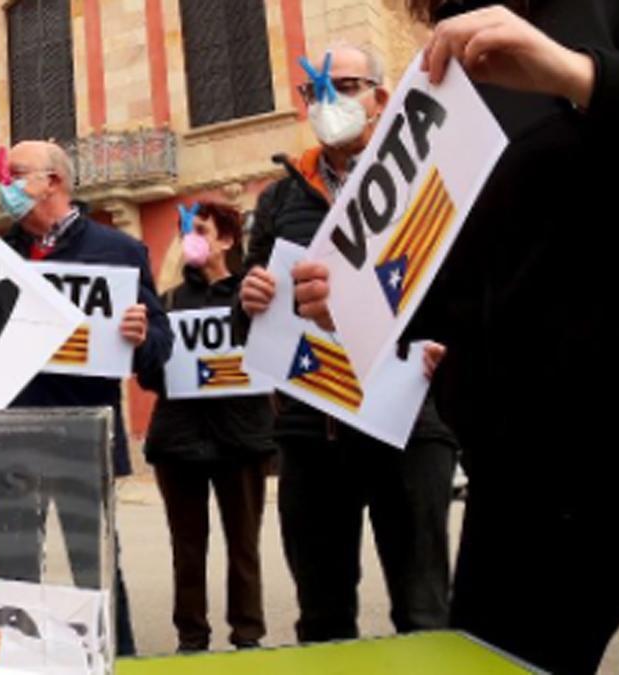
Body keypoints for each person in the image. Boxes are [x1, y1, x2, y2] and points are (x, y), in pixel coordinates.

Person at [294, 3, 619, 672]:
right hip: (525, 473)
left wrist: (579, 75)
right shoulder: (448, 74)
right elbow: (462, 278)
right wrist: (355, 300)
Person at [233, 43, 459, 643]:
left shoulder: (428, 176)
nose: (329, 101)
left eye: (347, 85)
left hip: (412, 425)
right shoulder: (278, 199)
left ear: (382, 99)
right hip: (312, 433)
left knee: (425, 614)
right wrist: (247, 300)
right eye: (315, 91)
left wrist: (451, 347)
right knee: (323, 620)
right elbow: (247, 318)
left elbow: (468, 289)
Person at [0, 140, 173, 656]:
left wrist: (142, 332)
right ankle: (18, 662)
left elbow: (159, 348)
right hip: (11, 439)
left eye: (15, 174)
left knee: (97, 567)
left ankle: (115, 658)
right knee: (15, 569)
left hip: (84, 438)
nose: (5, 185)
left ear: (53, 182)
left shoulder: (120, 252)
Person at [137, 200, 277, 652]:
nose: (191, 238)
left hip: (241, 440)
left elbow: (273, 363)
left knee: (244, 547)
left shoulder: (253, 298)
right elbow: (151, 377)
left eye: (200, 229)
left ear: (228, 239)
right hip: (178, 445)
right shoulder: (169, 299)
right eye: (186, 231)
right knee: (188, 549)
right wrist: (145, 348)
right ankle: (191, 638)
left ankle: (248, 634)